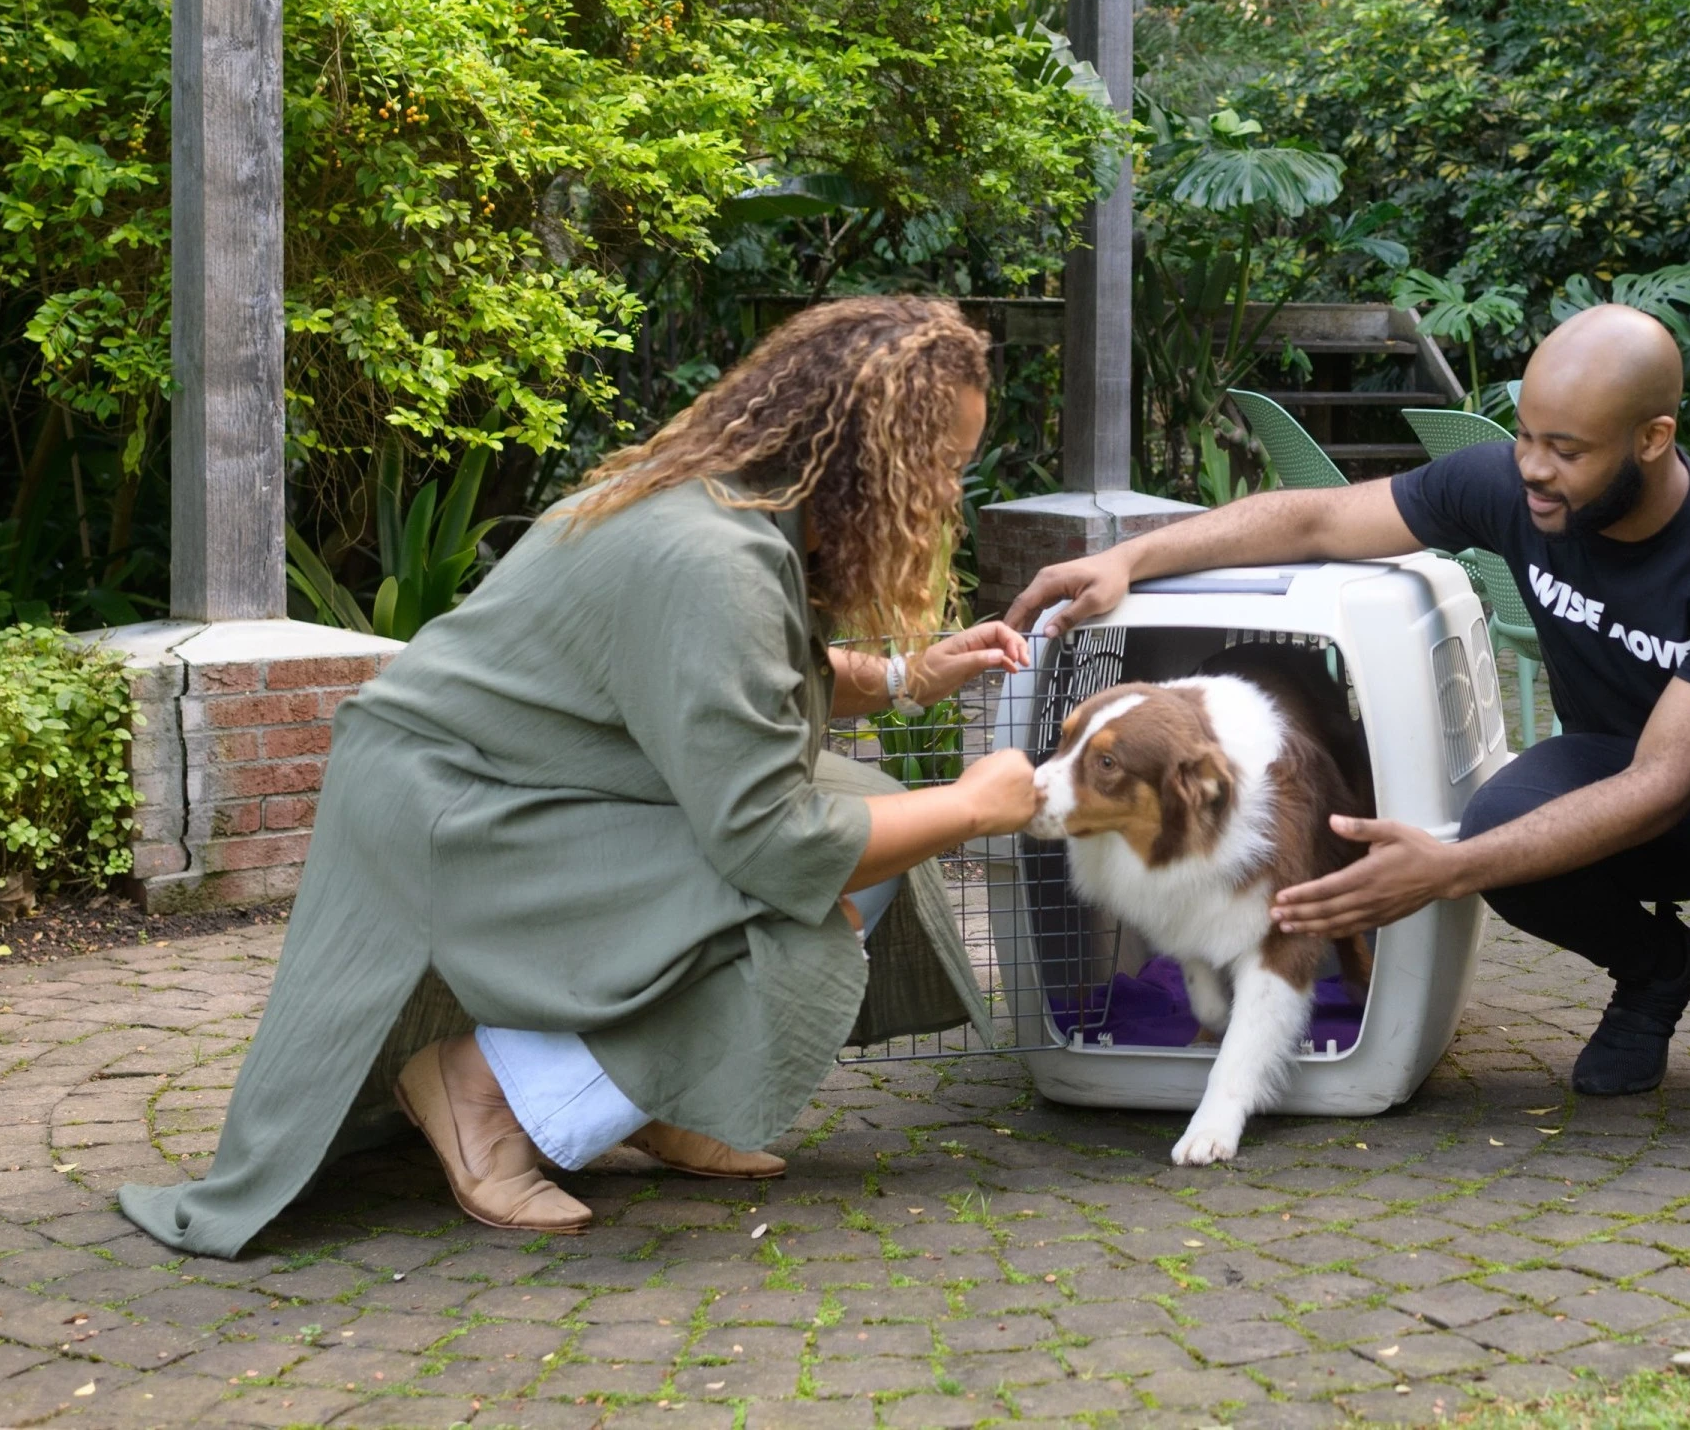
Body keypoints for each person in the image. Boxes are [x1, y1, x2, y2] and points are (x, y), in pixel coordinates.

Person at [122, 297, 1041, 1256]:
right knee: (793, 916)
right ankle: (479, 1093)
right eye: (939, 465)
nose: (946, 496)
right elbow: (771, 845)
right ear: (863, 453)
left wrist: (903, 677)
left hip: (520, 780)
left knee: (880, 815)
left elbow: (742, 686)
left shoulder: (732, 502)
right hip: (462, 809)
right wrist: (975, 808)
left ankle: (651, 1091)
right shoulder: (711, 557)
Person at [1006, 304, 1690, 1117]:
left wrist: (1448, 870)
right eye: (1526, 435)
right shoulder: (1513, 488)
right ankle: (1655, 969)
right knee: (1496, 821)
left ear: (1652, 438)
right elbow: (1317, 520)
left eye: (1566, 449)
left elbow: (1667, 780)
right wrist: (1130, 559)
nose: (1532, 466)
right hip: (1613, 751)